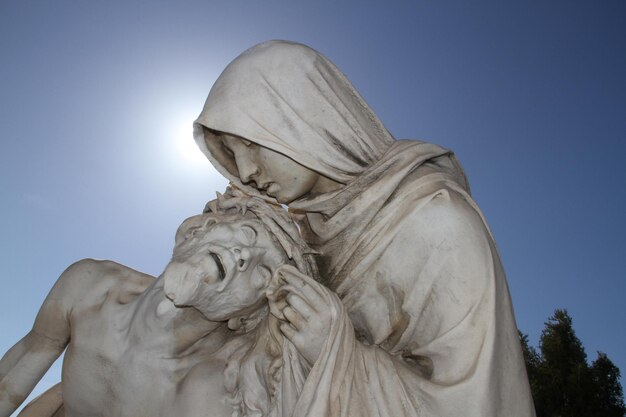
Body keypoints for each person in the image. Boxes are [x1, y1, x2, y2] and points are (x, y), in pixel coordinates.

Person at [193, 40, 536, 416]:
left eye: (249, 143)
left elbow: (477, 403)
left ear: (302, 119)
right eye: (233, 154)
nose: (245, 172)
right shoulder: (294, 240)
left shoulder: (439, 224)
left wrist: (335, 351)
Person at [0, 194, 313, 417]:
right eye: (247, 231)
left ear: (245, 318)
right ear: (194, 231)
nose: (245, 255)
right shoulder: (90, 286)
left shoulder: (216, 392)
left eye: (264, 272)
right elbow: (18, 370)